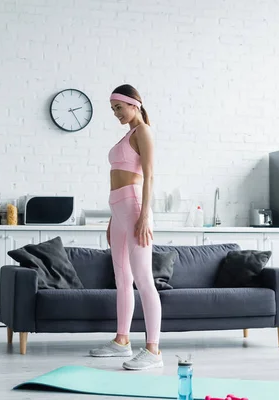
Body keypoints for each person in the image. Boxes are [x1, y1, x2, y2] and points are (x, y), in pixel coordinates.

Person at [89, 84, 163, 371]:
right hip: (119, 211)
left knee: (143, 278)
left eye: (118, 107)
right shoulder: (127, 136)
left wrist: (144, 216)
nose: (116, 113)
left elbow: (150, 176)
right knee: (122, 278)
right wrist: (112, 219)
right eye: (112, 109)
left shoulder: (143, 131)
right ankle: (122, 341)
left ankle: (153, 349)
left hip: (134, 209)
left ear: (134, 104)